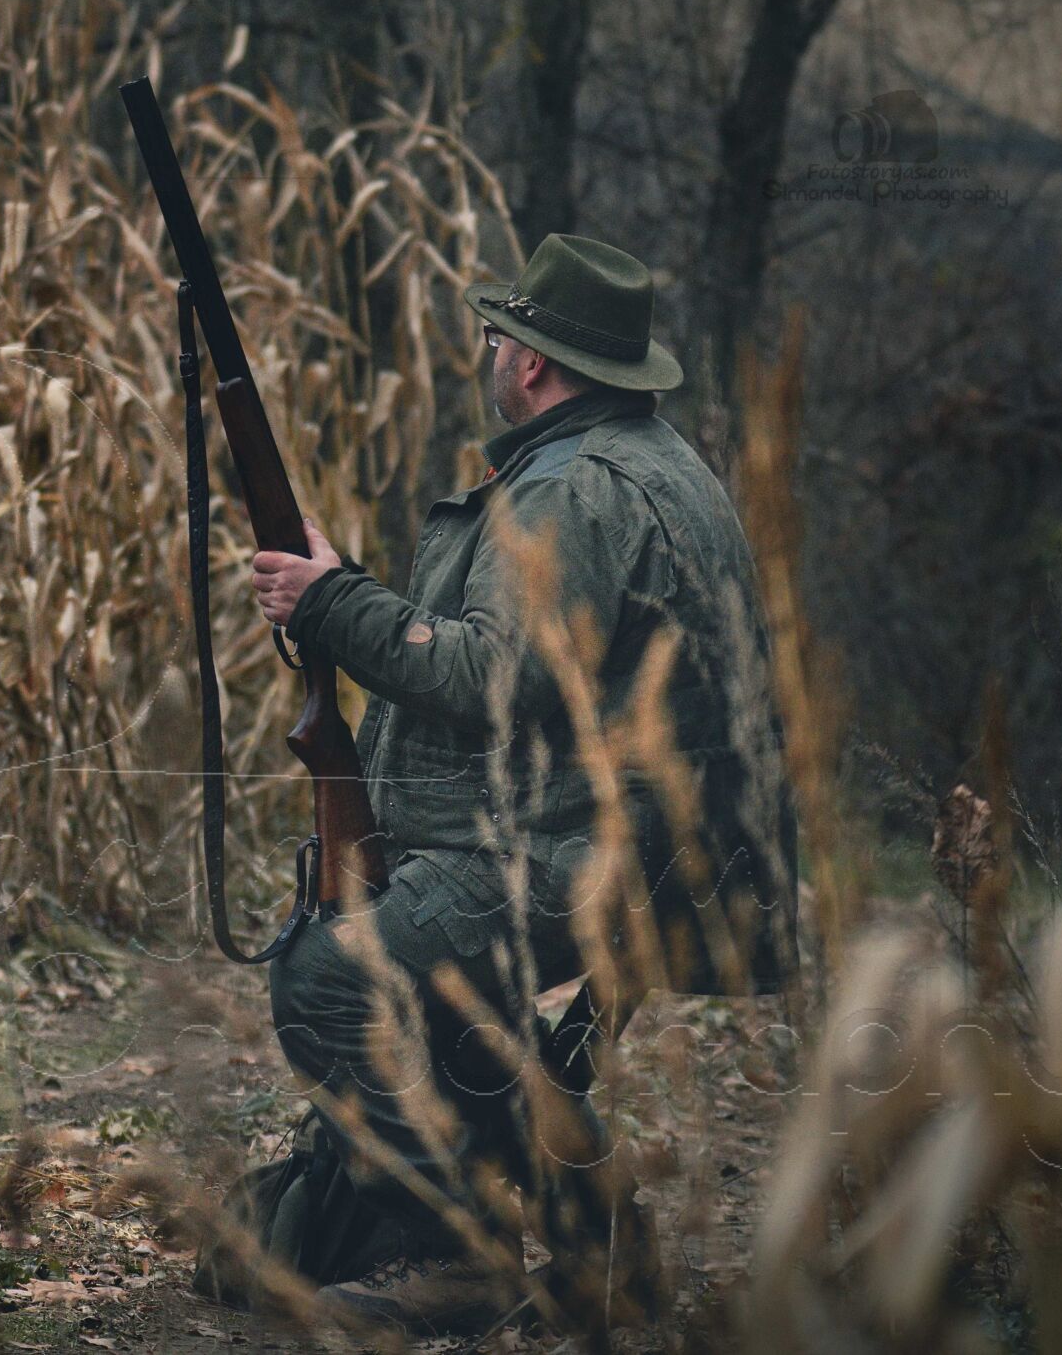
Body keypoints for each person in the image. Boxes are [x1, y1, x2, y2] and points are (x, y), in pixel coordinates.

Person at [219, 234, 799, 1335]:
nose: (489, 353)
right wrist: (339, 588)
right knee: (456, 1001)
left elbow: (490, 675)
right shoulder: (648, 461)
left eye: (496, 338)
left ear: (528, 361)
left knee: (326, 976)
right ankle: (599, 1249)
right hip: (650, 848)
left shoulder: (573, 488)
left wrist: (330, 604)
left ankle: (447, 1256)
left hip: (590, 854)